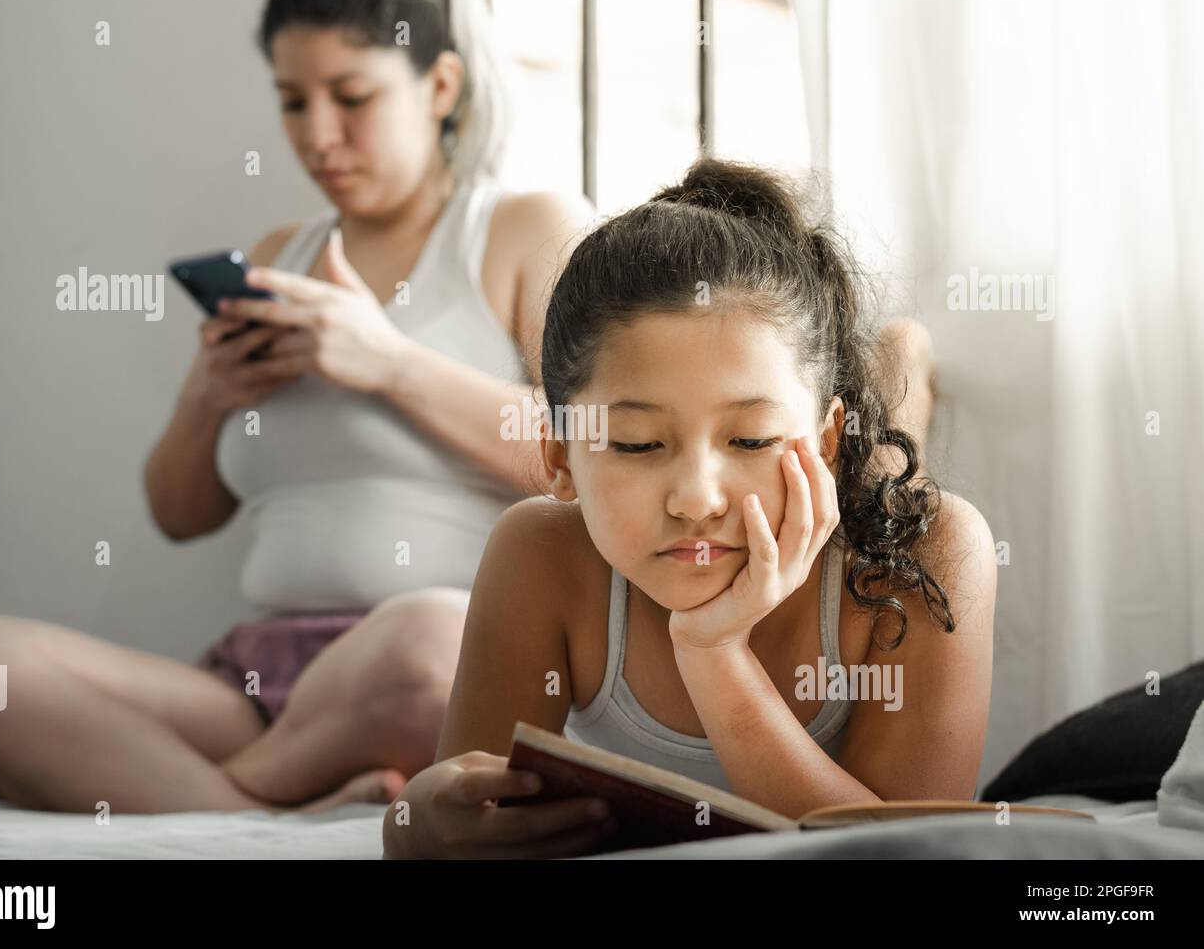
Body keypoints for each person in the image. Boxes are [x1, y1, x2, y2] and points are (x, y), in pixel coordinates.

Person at [0, 0, 594, 814]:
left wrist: (388, 362)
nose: (317, 134)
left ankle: (190, 796)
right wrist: (206, 398)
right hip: (259, 682)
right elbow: (179, 514)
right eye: (292, 101)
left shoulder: (525, 229)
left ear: (441, 86)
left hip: (431, 665)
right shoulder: (282, 256)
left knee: (428, 639)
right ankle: (266, 808)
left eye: (351, 97)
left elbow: (593, 450)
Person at [381, 158, 996, 858]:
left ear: (826, 442)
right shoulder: (539, 554)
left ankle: (900, 379)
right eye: (638, 444)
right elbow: (457, 804)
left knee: (886, 476)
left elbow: (911, 853)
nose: (697, 499)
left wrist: (713, 651)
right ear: (559, 459)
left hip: (855, 512)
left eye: (750, 437)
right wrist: (413, 824)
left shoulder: (931, 554)